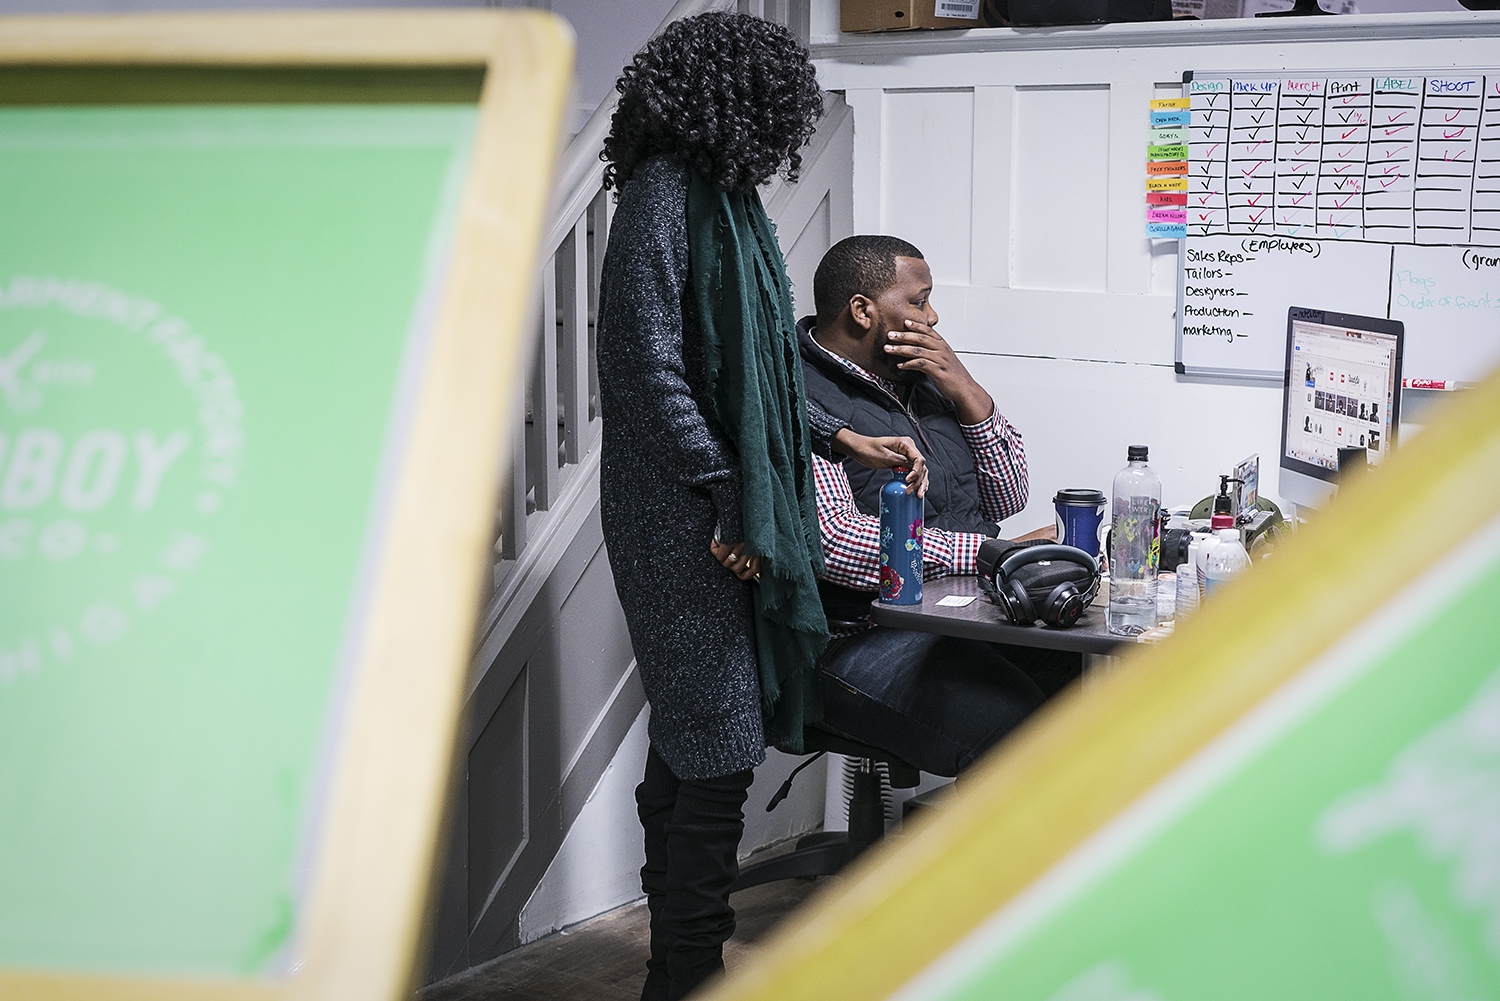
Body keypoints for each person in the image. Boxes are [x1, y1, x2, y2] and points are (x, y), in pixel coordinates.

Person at [594, 17, 925, 1001]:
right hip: (681, 514)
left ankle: (682, 959)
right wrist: (731, 492)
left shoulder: (725, 200)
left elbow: (765, 367)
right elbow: (646, 376)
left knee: (697, 736)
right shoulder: (661, 198)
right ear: (736, 97)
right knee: (719, 744)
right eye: (778, 97)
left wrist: (838, 438)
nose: (788, 116)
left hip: (726, 504)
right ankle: (689, 970)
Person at [798, 235, 1077, 778]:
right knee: (1018, 738)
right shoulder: (802, 398)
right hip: (852, 637)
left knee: (1092, 691)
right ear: (862, 311)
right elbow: (836, 542)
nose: (933, 315)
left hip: (959, 618)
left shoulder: (923, 379)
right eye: (920, 300)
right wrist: (990, 553)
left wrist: (968, 392)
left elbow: (1007, 497)